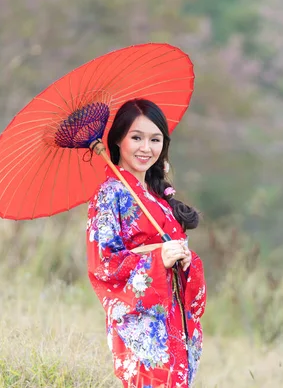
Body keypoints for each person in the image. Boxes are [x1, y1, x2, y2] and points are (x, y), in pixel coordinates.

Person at [85, 99, 207, 387]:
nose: (145, 148)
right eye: (136, 137)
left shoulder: (158, 197)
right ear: (117, 140)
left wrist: (185, 260)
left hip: (175, 320)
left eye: (155, 139)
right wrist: (156, 258)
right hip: (142, 325)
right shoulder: (110, 195)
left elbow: (175, 260)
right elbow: (104, 264)